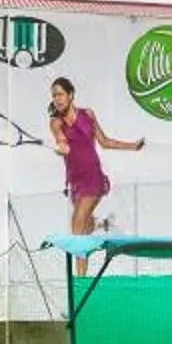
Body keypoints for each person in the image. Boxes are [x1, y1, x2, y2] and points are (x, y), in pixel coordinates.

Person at [47, 77, 143, 237]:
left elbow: (105, 142)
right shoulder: (55, 122)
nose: (57, 99)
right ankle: (100, 223)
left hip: (93, 177)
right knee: (83, 229)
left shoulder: (88, 114)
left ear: (70, 95)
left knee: (77, 230)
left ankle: (90, 239)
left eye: (60, 94)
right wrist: (62, 147)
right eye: (54, 96)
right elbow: (61, 140)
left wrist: (133, 146)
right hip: (75, 181)